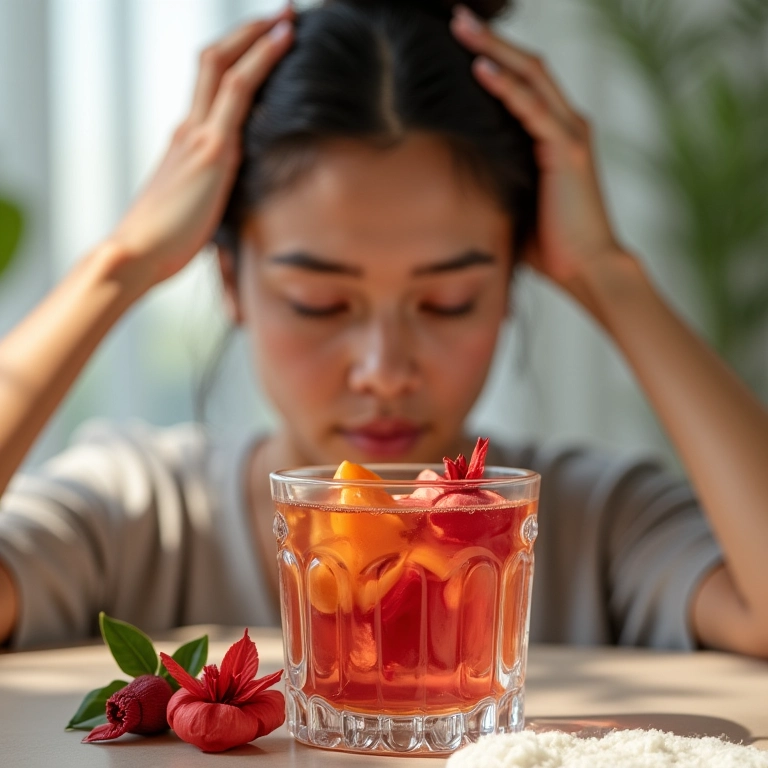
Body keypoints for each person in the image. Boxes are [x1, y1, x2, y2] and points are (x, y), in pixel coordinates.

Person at [0, 0, 767, 657]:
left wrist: (607, 272)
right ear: (231, 280)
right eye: (318, 303)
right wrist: (120, 264)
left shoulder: (587, 524)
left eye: (449, 302)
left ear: (511, 283)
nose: (384, 370)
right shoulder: (136, 517)